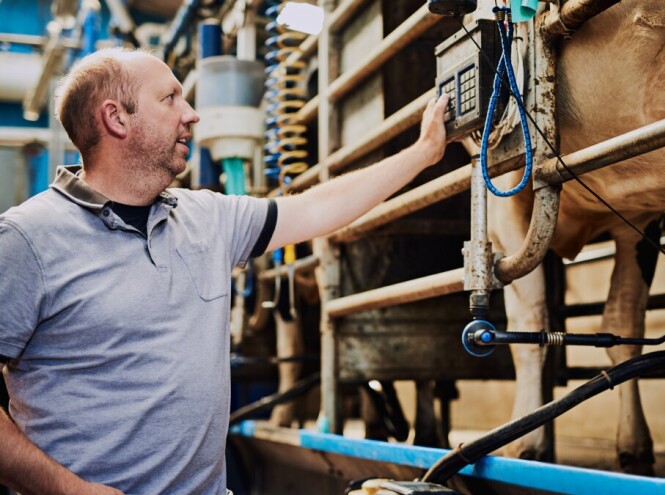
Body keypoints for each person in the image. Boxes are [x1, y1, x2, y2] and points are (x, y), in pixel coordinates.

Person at [0, 47, 448, 495]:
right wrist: (67, 490)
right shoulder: (29, 239)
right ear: (116, 118)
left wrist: (423, 153)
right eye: (170, 99)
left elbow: (318, 208)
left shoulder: (207, 218)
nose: (191, 114)